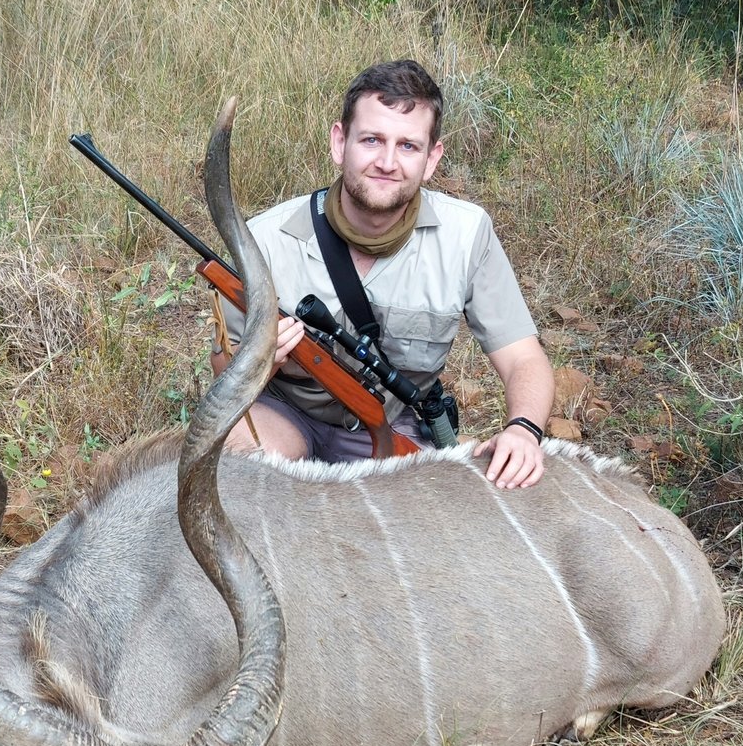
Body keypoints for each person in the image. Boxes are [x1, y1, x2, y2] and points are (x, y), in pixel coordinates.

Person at [212, 60, 554, 489]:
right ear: (340, 143)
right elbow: (222, 368)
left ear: (432, 158)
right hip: (288, 414)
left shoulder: (467, 234)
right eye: (372, 139)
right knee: (232, 466)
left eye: (408, 146)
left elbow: (524, 358)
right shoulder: (263, 238)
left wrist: (523, 429)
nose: (388, 162)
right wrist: (259, 357)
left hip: (394, 425)